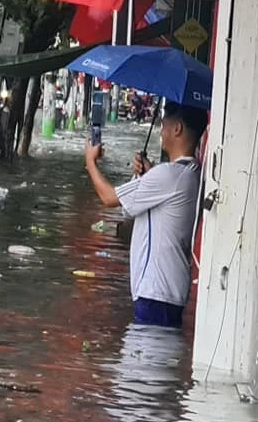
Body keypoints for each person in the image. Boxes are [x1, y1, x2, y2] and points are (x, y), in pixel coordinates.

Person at [84, 101, 207, 328]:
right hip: (170, 289)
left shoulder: (168, 174)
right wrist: (148, 174)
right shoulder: (191, 172)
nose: (161, 131)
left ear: (177, 128)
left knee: (143, 358)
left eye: (164, 124)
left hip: (155, 292)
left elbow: (109, 198)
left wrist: (90, 163)